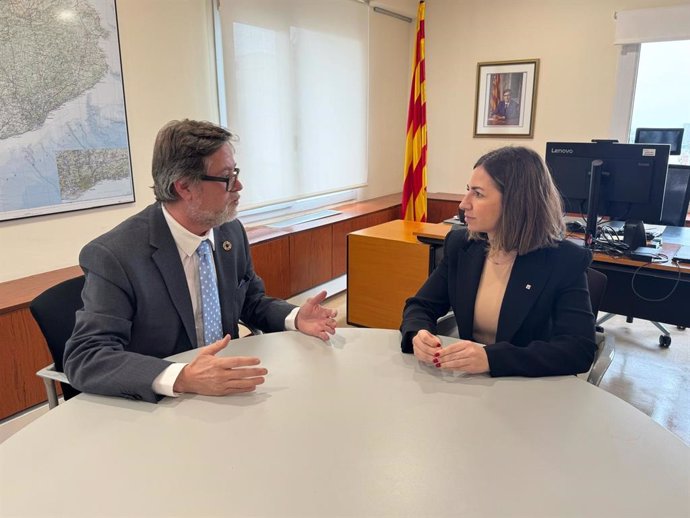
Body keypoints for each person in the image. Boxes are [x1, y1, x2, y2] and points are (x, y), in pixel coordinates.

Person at [64, 119, 338, 403]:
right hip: (163, 404)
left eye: (236, 172)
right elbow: (87, 356)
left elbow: (250, 302)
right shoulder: (116, 256)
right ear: (184, 187)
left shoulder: (228, 230)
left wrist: (293, 316)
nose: (239, 185)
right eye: (227, 177)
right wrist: (181, 377)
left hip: (228, 389)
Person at [400, 146, 596, 377]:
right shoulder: (461, 245)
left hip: (530, 387)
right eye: (467, 191)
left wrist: (491, 359)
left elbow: (578, 350)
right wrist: (418, 333)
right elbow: (421, 305)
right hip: (471, 384)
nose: (464, 204)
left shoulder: (564, 261)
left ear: (516, 202)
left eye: (478, 194)